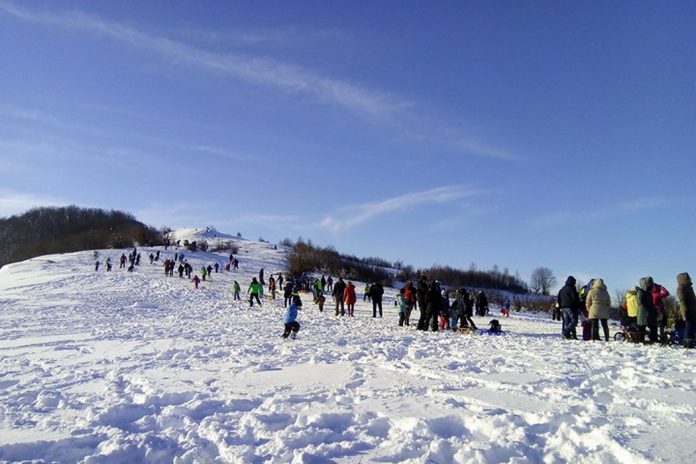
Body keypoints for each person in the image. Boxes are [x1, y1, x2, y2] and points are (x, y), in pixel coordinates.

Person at [676, 272, 696, 348]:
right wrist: (685, 311)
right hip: (686, 310)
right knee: (689, 326)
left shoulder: (689, 288)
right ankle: (687, 342)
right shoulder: (681, 288)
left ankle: (691, 340)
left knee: (692, 326)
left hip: (692, 310)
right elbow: (682, 301)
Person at [649, 277, 670, 343]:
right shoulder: (658, 294)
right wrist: (661, 288)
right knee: (662, 325)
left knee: (654, 326)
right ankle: (662, 338)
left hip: (653, 312)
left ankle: (654, 338)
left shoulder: (649, 294)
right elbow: (666, 293)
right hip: (660, 311)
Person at [636, 277, 658, 343]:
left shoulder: (649, 293)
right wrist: (648, 308)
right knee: (642, 327)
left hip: (649, 312)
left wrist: (653, 310)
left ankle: (653, 339)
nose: (650, 286)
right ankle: (640, 340)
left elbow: (651, 303)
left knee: (653, 326)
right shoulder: (640, 292)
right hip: (643, 313)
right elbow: (640, 302)